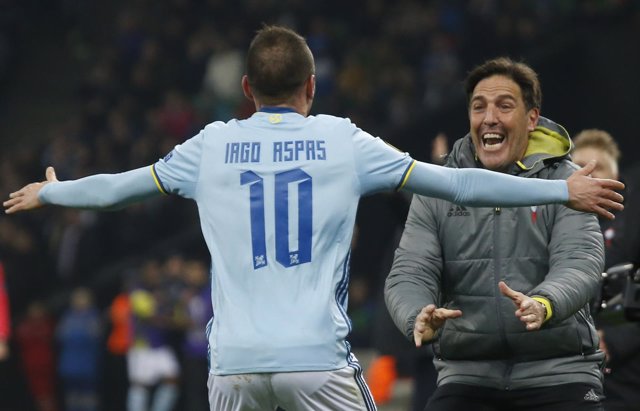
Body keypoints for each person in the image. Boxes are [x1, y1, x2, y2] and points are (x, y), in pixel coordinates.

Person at [3, 28, 624, 411]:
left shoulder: (209, 145)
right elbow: (458, 182)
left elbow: (120, 190)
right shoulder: (343, 141)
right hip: (315, 361)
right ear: (311, 86)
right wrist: (564, 191)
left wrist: (56, 195)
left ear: (247, 87)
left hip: (233, 366)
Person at [385, 57, 613, 411]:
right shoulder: (439, 186)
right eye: (479, 107)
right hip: (467, 376)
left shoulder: (567, 182)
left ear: (532, 119)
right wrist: (417, 314)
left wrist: (545, 302)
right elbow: (410, 270)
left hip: (559, 371)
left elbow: (580, 262)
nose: (489, 117)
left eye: (504, 106)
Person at [571, 130, 640, 411]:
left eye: (596, 168)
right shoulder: (558, 225)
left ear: (616, 176)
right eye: (578, 169)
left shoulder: (633, 220)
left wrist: (614, 340)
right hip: (572, 367)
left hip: (628, 369)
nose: (588, 176)